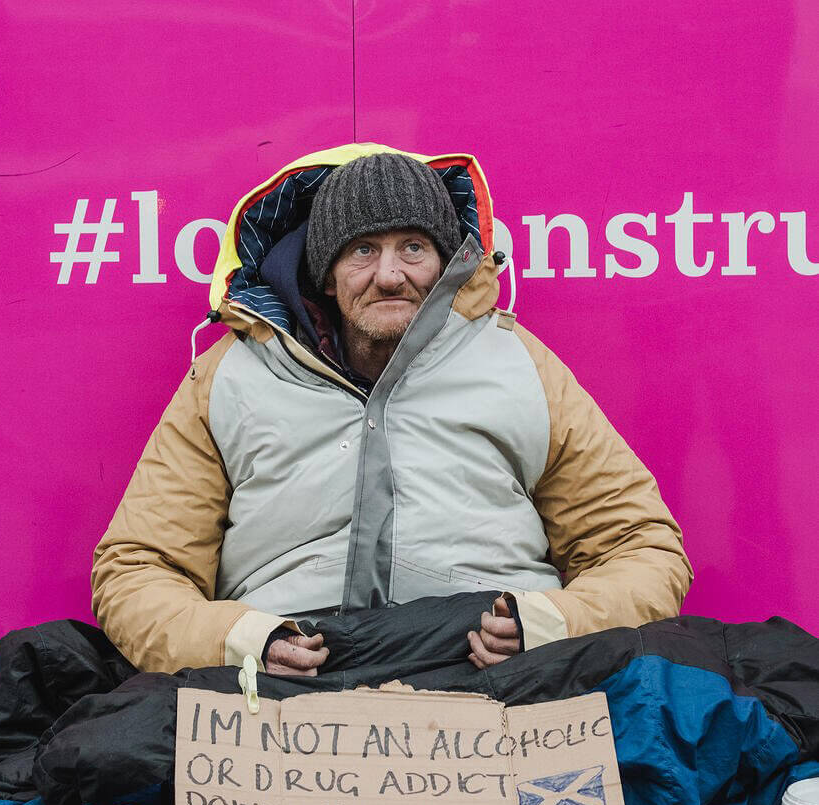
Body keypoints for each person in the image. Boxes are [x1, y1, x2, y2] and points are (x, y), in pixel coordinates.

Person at [91, 145, 692, 676]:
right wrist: (243, 641)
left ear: (447, 262)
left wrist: (550, 625)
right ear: (324, 274)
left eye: (413, 247)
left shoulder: (518, 363)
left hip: (494, 679)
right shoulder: (230, 374)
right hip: (287, 693)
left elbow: (640, 545)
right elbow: (138, 567)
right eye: (361, 251)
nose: (389, 275)